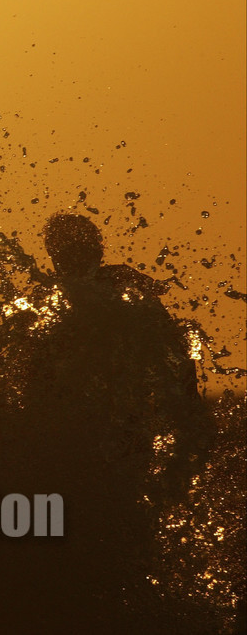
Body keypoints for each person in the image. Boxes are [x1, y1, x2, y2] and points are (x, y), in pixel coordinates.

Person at [21, 212, 211, 629]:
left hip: (88, 436)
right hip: (117, 432)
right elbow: (177, 358)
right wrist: (189, 415)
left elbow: (25, 372)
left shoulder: (49, 298)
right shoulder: (123, 289)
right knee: (119, 530)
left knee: (82, 535)